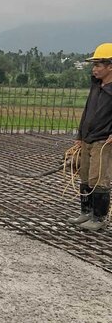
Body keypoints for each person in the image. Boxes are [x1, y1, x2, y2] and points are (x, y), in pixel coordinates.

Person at [68, 43, 112, 231]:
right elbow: (87, 111)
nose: (94, 69)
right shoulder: (96, 86)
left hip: (103, 140)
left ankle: (99, 217)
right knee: (85, 175)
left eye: (98, 65)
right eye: (93, 65)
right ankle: (86, 212)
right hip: (87, 138)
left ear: (110, 66)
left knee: (98, 178)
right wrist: (79, 135)